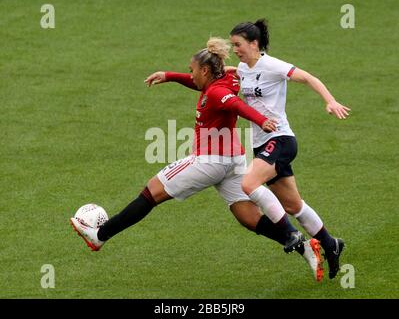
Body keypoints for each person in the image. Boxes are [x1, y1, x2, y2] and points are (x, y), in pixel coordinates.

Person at [70, 37, 322, 280]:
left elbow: (236, 105)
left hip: (209, 161)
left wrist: (261, 120)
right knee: (248, 217)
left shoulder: (216, 93)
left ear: (205, 69)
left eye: (191, 70)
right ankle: (303, 247)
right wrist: (169, 76)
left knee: (151, 192)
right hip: (233, 160)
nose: (190, 75)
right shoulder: (222, 81)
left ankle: (100, 235)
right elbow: (204, 87)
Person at [229, 19, 350, 279]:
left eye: (238, 45)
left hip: (281, 140)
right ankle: (331, 244)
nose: (235, 49)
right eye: (232, 45)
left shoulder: (272, 65)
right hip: (262, 144)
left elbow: (308, 78)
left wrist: (330, 101)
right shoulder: (242, 68)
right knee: (294, 206)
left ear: (254, 43)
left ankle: (290, 234)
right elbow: (231, 72)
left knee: (248, 184)